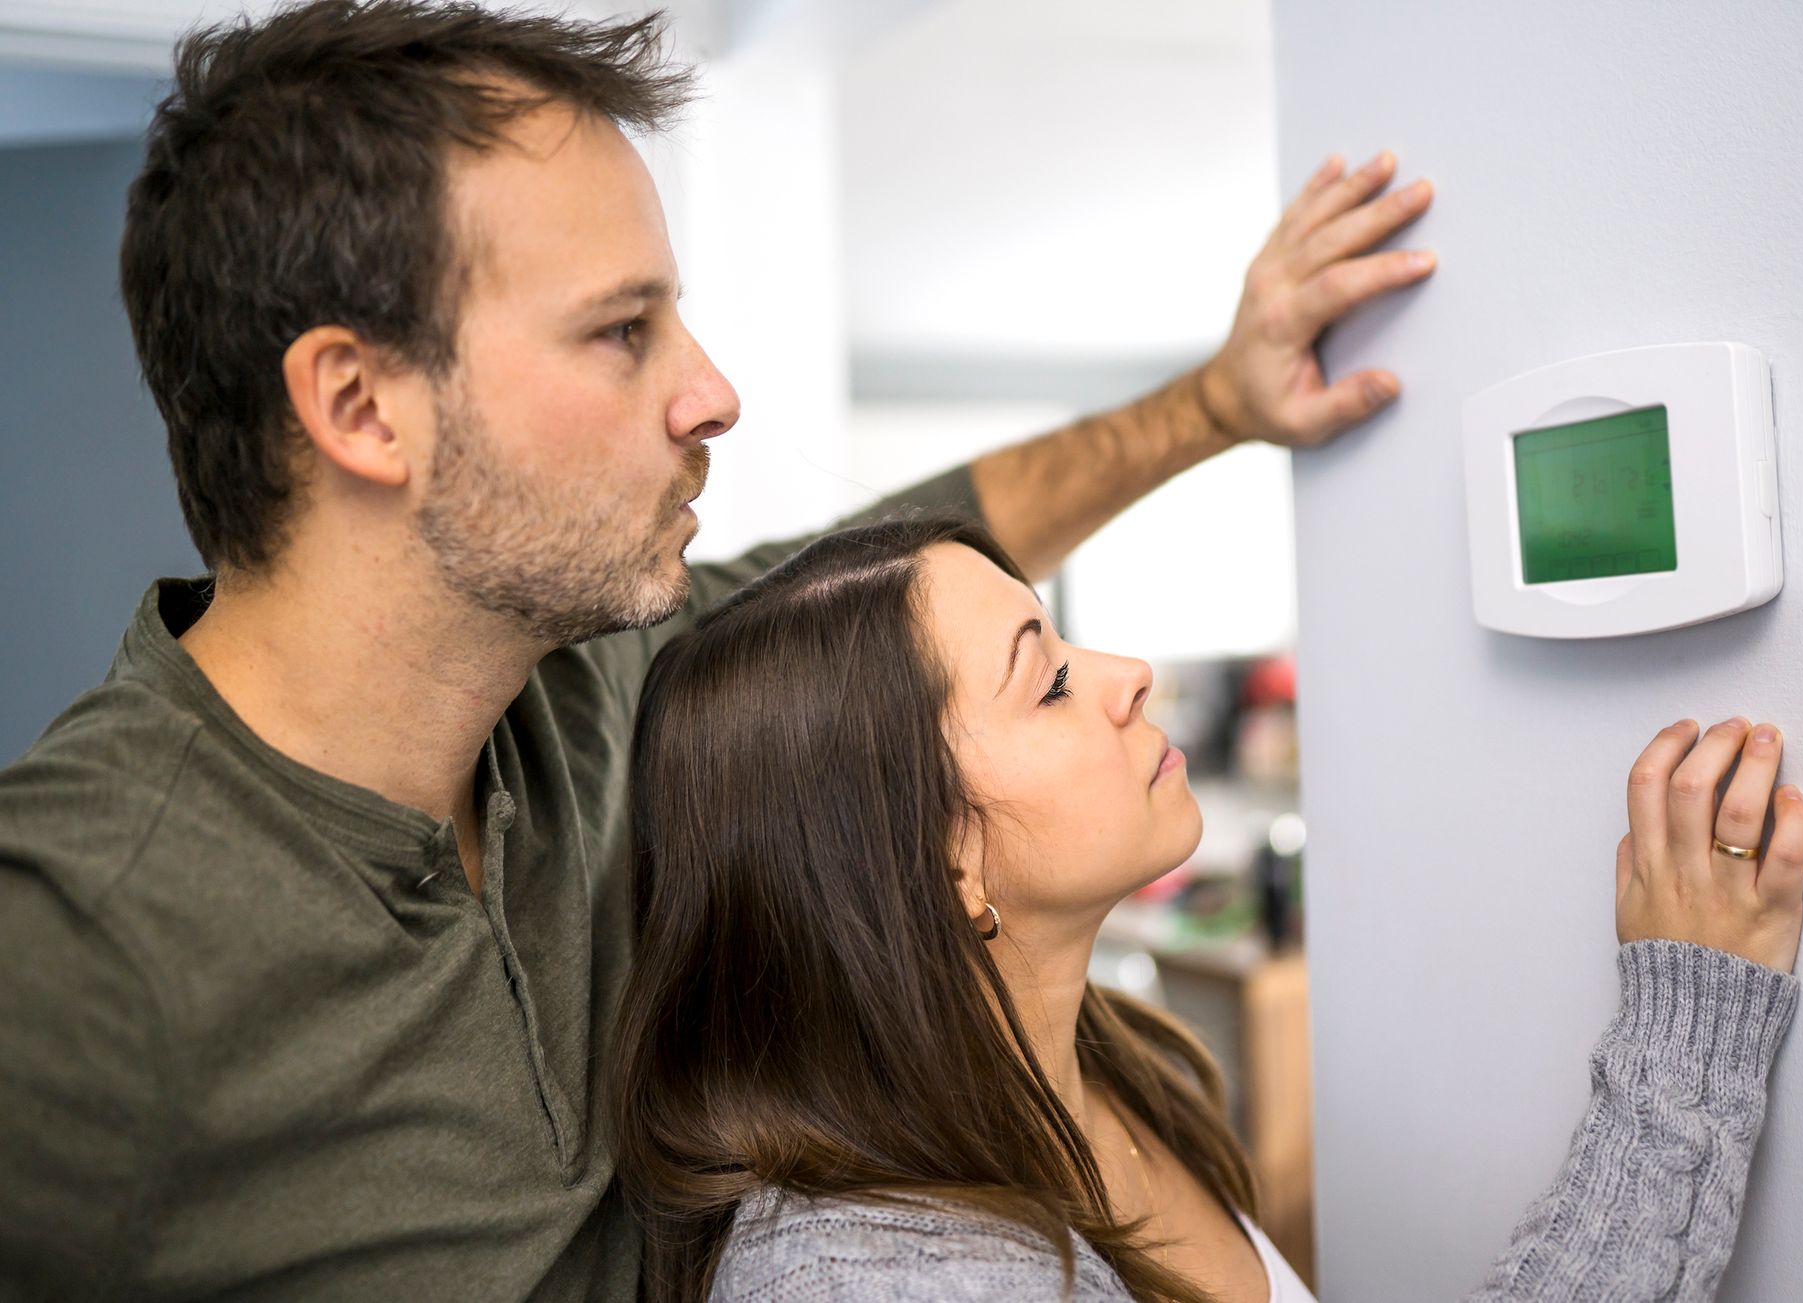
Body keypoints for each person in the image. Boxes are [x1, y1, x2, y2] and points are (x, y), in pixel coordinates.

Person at [0, 2, 1438, 1299]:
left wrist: (1214, 403)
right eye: (624, 331)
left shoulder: (599, 681)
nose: (713, 392)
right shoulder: (75, 932)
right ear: (363, 406)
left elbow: (913, 557)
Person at [612, 513, 1803, 1303]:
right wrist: (1684, 1033)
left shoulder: (1114, 1071)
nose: (1129, 674)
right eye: (1053, 679)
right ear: (940, 859)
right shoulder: (868, 1282)